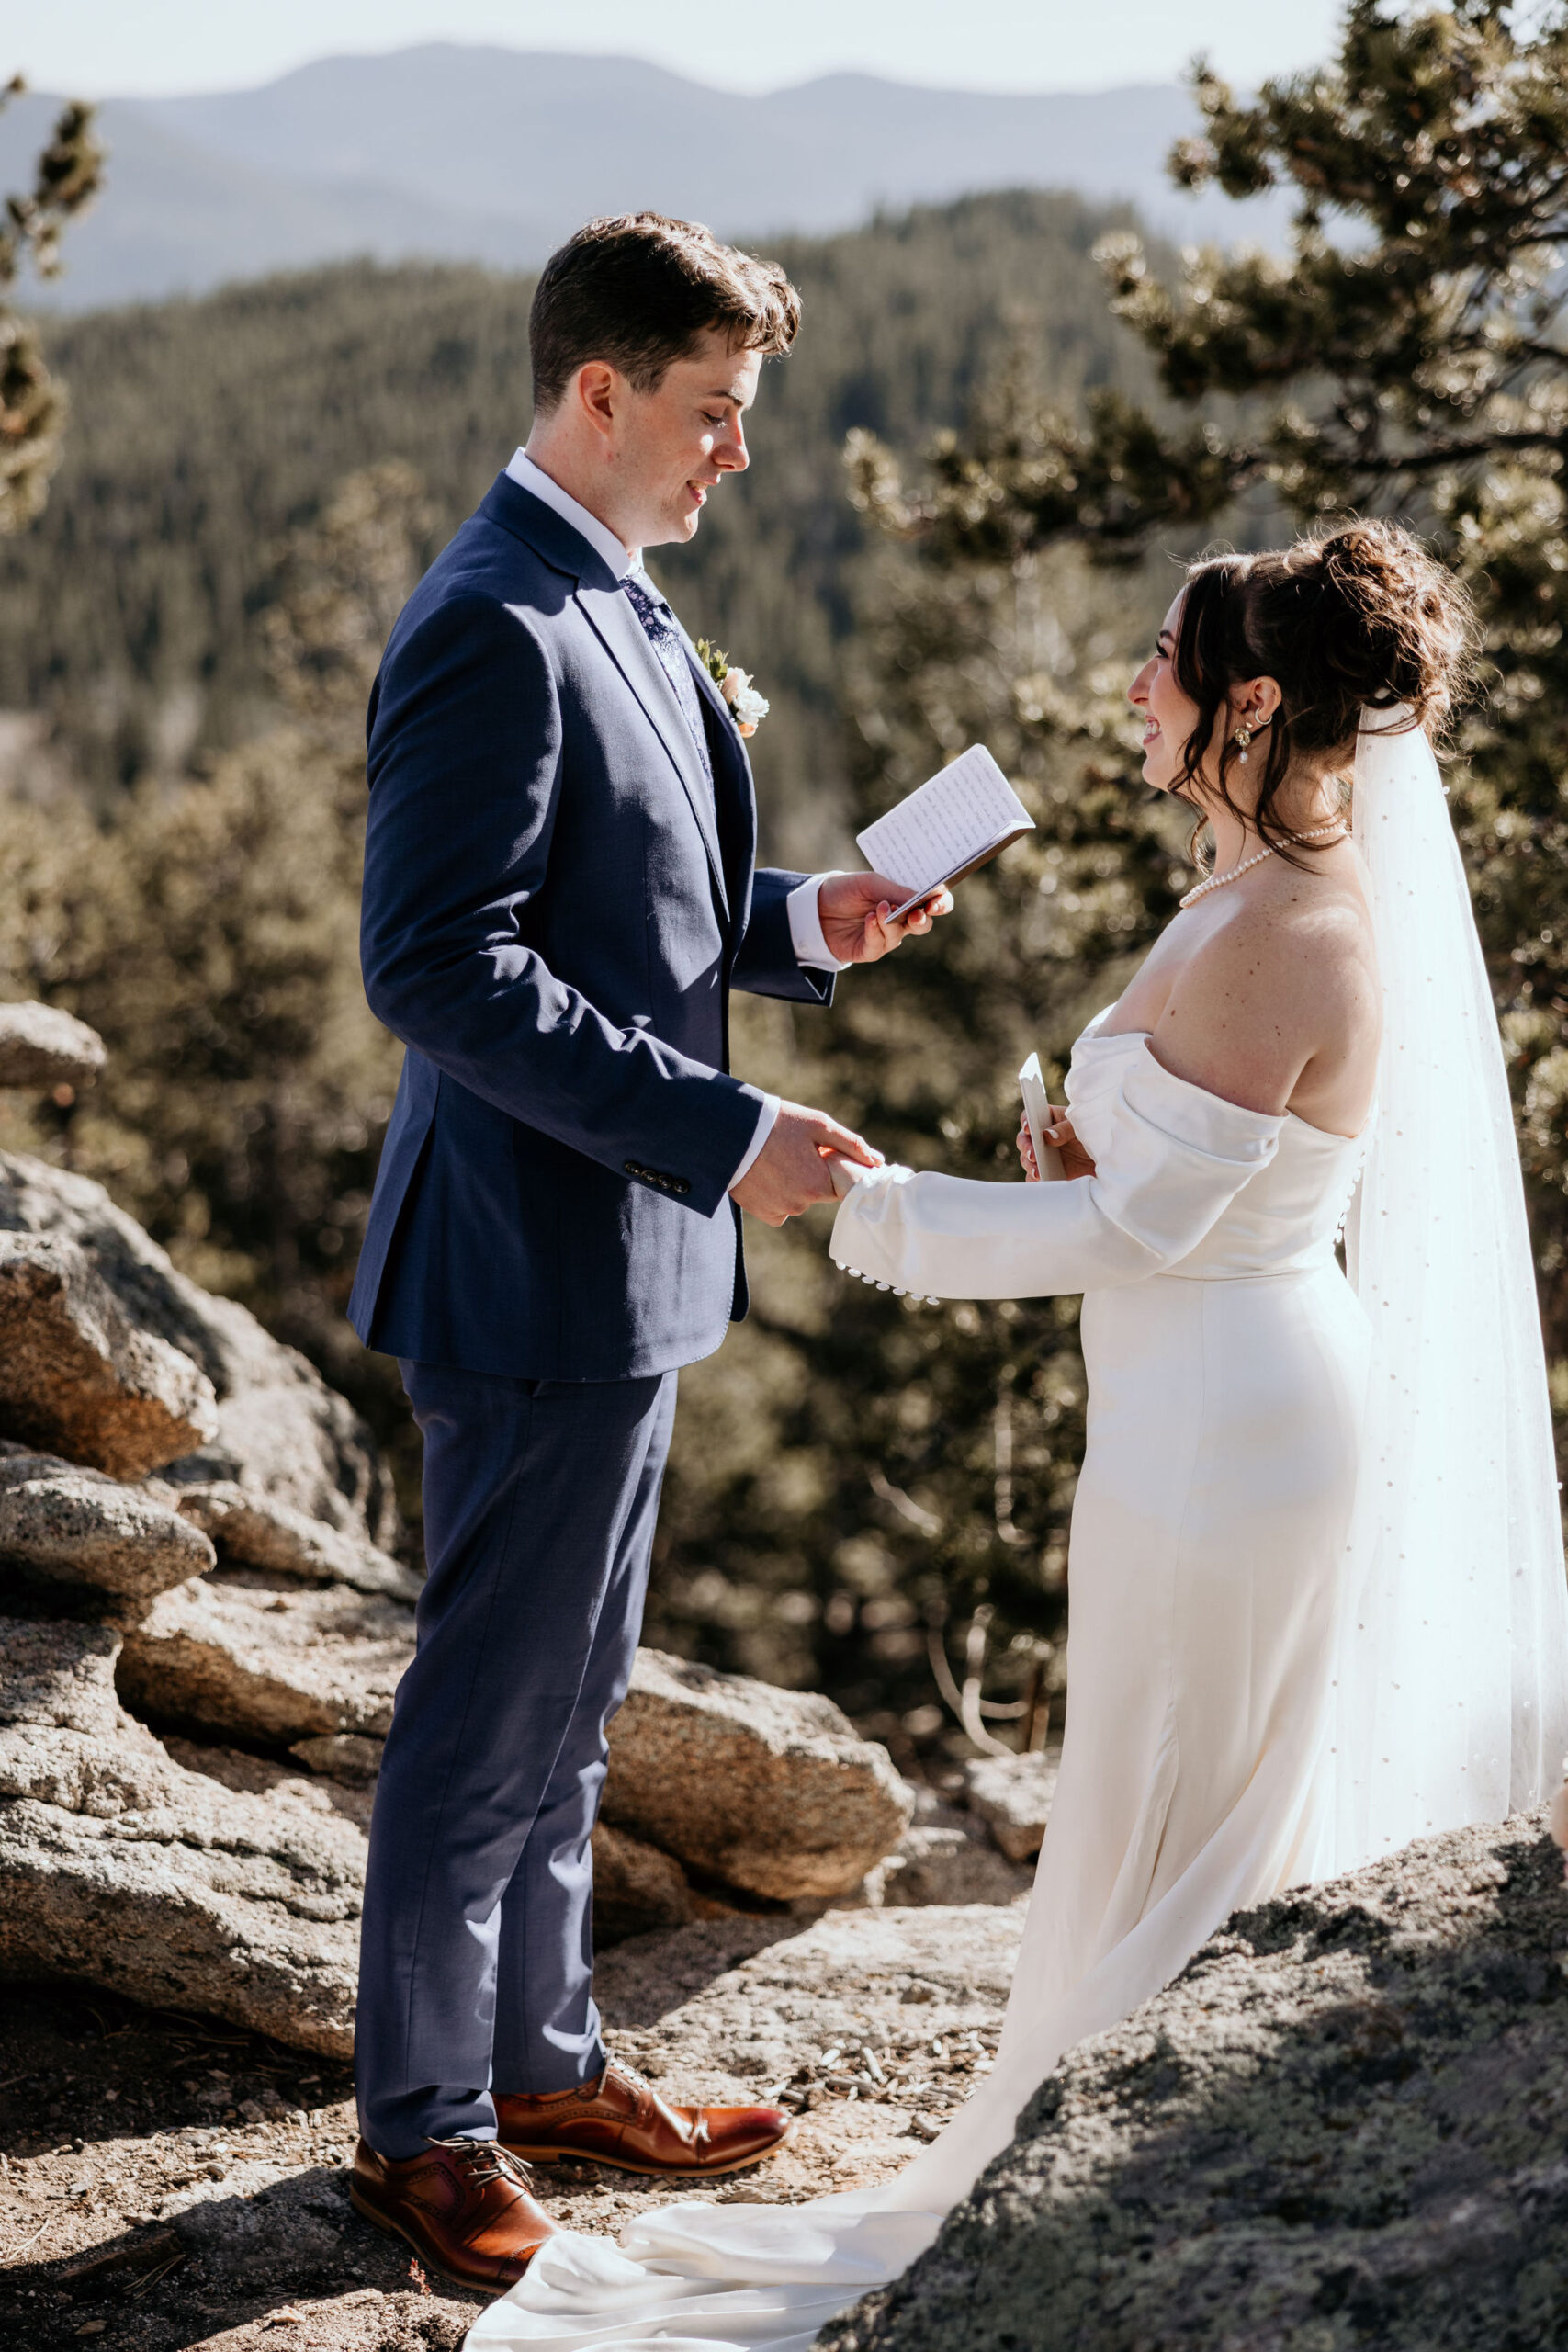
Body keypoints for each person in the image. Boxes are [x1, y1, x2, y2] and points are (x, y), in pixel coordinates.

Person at [464, 521, 1568, 2350]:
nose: (1131, 682)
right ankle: (1105, 2153)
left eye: (1163, 657)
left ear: (1254, 703)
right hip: (1182, 1402)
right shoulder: (1234, 885)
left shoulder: (1291, 926)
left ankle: (1120, 2178)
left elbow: (1143, 1235)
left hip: (1229, 1427)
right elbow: (1175, 1190)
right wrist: (1083, 1161)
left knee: (1180, 1807)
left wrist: (879, 1204)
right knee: (1136, 1808)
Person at [344, 211, 953, 2292]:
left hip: (625, 1266)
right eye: (711, 413)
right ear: (597, 392)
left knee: (575, 1693)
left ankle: (544, 2053)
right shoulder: (490, 617)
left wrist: (799, 923)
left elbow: (624, 889)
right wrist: (722, 1127)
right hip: (524, 1267)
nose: (737, 456)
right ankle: (417, 2124)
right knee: (483, 1708)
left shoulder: (614, 592)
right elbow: (437, 966)